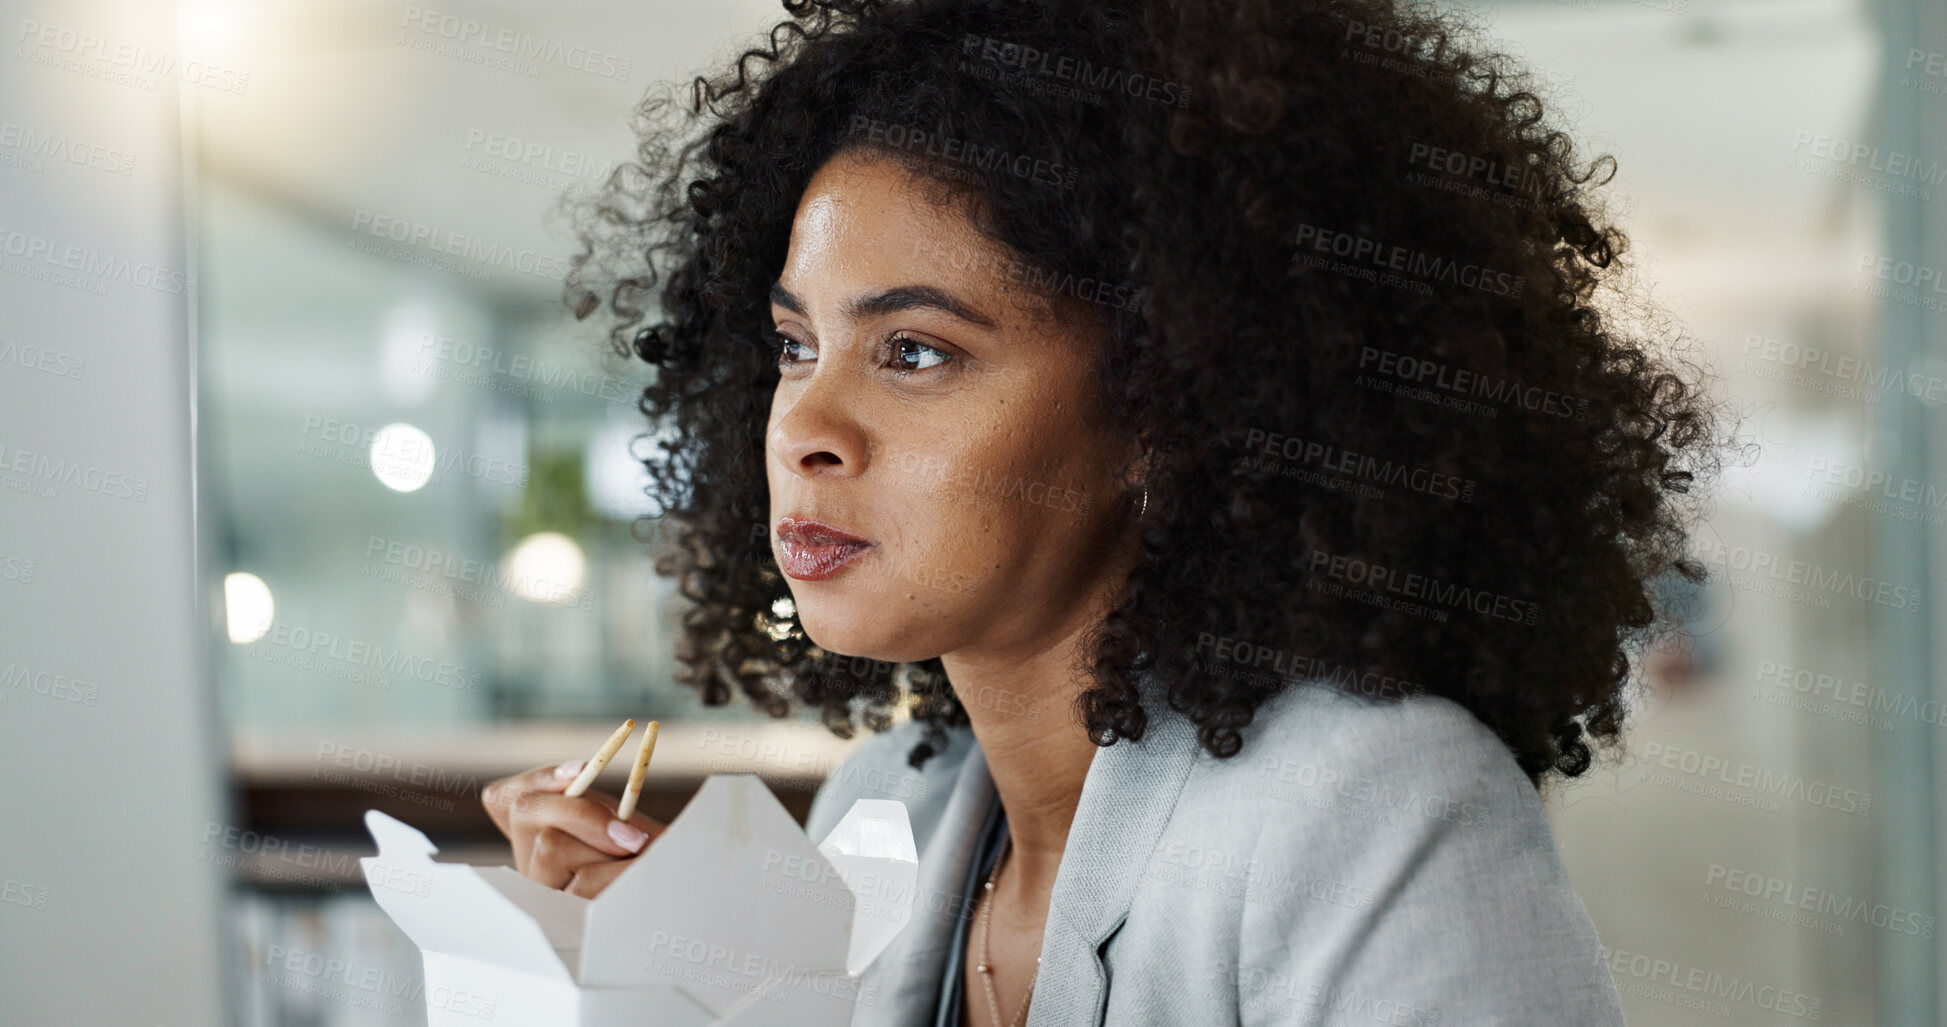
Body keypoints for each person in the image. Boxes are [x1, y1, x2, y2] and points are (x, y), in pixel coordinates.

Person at [484, 0, 1736, 1023]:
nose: (806, 427)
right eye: (794, 345)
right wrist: (650, 978)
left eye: (915, 351)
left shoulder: (1370, 807)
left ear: (1166, 406)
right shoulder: (886, 804)